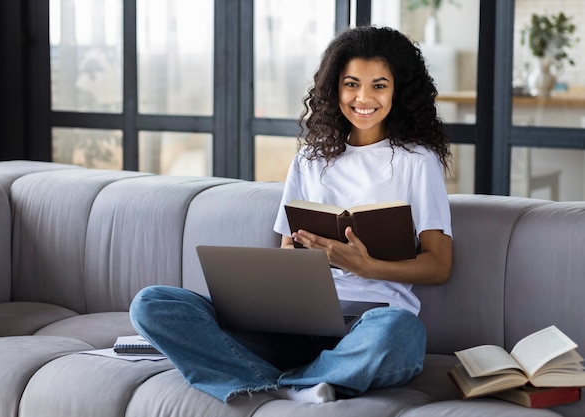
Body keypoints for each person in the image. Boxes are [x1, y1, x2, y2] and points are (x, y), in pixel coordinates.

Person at [129, 25, 453, 404]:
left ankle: (278, 381)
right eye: (351, 84)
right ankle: (302, 383)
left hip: (369, 324)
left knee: (402, 334)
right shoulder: (309, 160)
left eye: (379, 85)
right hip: (295, 324)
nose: (363, 97)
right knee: (152, 304)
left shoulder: (417, 161)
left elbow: (439, 265)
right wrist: (276, 291)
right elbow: (289, 250)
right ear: (335, 88)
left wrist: (367, 267)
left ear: (399, 90)